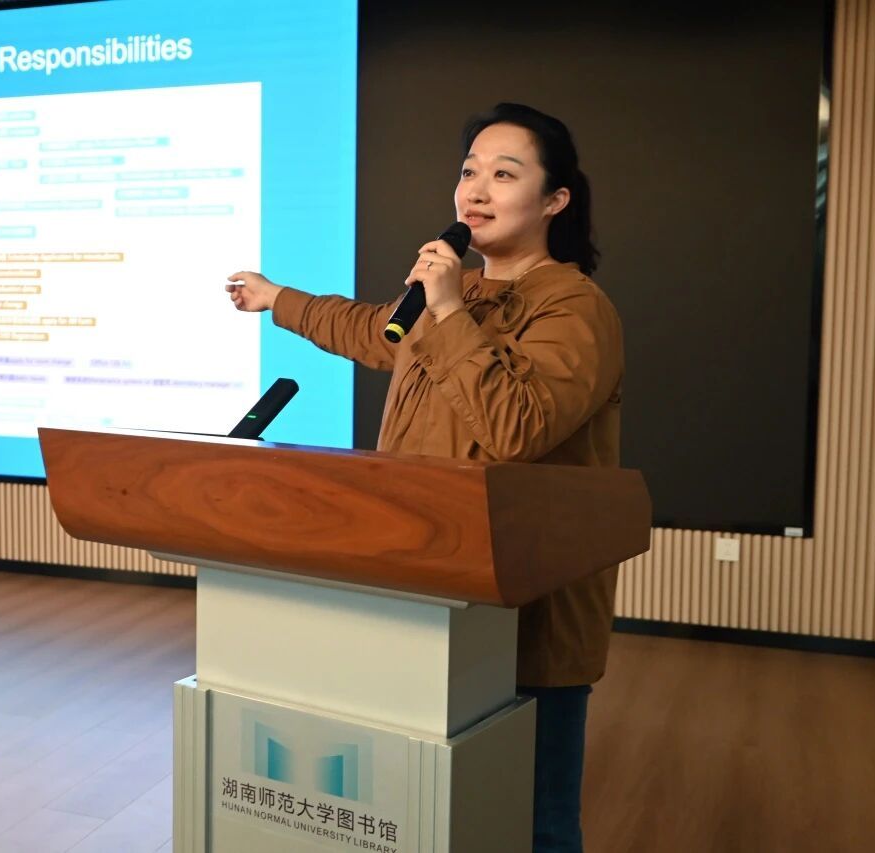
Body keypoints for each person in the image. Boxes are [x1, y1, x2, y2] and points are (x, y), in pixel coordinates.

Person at [225, 102, 622, 853]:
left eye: (504, 174)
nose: (476, 189)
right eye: (469, 171)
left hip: (523, 619)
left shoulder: (576, 307)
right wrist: (278, 298)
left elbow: (517, 428)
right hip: (425, 591)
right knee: (435, 809)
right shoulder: (452, 300)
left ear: (555, 199)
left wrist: (447, 309)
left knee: (532, 824)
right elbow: (369, 329)